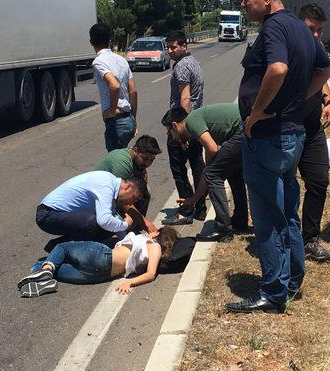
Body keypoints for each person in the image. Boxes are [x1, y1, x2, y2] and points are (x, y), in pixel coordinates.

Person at [226, 0, 330, 314]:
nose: (244, 5)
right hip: (293, 134)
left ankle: (273, 292)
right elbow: (325, 68)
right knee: (286, 211)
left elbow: (278, 68)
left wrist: (257, 112)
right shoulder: (301, 27)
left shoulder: (273, 27)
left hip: (269, 137)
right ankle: (292, 280)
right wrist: (300, 100)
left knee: (269, 216)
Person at [162, 104, 248, 242]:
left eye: (169, 132)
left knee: (213, 174)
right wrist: (193, 200)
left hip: (242, 129)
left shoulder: (191, 122)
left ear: (175, 125)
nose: (172, 138)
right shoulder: (196, 125)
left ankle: (223, 229)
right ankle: (240, 220)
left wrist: (209, 168)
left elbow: (212, 148)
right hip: (246, 127)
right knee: (233, 172)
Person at [17, 227, 179, 298]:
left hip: (102, 256)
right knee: (44, 265)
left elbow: (150, 274)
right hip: (100, 275)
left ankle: (46, 272)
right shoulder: (152, 250)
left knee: (62, 248)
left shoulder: (154, 245)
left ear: (157, 233)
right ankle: (46, 280)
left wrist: (129, 283)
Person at [297, 3, 330, 263]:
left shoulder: (318, 48)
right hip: (287, 129)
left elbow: (323, 74)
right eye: (311, 29)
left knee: (319, 182)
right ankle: (286, 238)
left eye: (320, 30)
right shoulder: (289, 49)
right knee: (286, 187)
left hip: (312, 129)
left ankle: (310, 238)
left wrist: (328, 99)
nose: (316, 35)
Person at [163, 30, 206, 225]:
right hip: (197, 122)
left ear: (184, 46)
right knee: (197, 165)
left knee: (178, 168)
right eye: (168, 47)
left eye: (174, 47)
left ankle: (186, 207)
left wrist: (182, 131)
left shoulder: (180, 67)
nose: (170, 51)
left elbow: (185, 98)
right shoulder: (194, 63)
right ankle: (200, 208)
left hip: (184, 124)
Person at [36, 171, 145, 240]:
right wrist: (125, 224)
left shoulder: (111, 186)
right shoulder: (106, 184)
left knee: (108, 227)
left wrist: (130, 241)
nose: (131, 203)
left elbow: (112, 219)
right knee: (93, 222)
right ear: (127, 187)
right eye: (134, 198)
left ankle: (58, 246)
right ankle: (68, 252)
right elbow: (105, 221)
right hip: (47, 214)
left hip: (60, 214)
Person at [93, 134, 162, 233]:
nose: (147, 163)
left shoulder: (137, 159)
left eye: (151, 160)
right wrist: (145, 223)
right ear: (135, 151)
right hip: (100, 195)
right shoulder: (122, 164)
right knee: (118, 218)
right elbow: (122, 200)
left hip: (117, 192)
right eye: (145, 158)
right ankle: (125, 228)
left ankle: (135, 228)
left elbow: (142, 178)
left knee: (145, 192)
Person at [89, 23, 138, 152]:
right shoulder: (121, 60)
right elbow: (133, 91)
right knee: (124, 159)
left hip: (116, 122)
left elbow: (114, 85)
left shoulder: (99, 62)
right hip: (128, 119)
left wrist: (110, 112)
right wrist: (133, 119)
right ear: (110, 40)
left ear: (91, 42)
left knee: (116, 164)